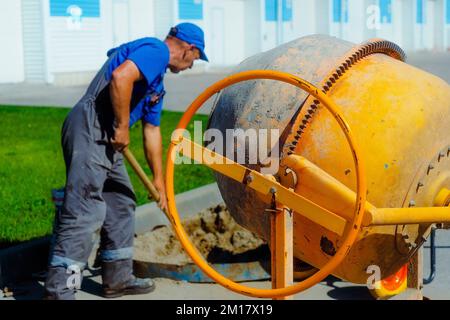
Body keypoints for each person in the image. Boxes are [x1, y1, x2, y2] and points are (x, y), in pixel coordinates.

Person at [44, 23, 208, 300]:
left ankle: (117, 280)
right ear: (189, 49)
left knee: (121, 202)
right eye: (196, 58)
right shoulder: (156, 51)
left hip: (110, 138)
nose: (193, 65)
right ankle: (60, 290)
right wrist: (121, 127)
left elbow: (152, 131)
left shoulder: (156, 83)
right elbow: (121, 77)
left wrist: (159, 181)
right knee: (84, 208)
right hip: (92, 127)